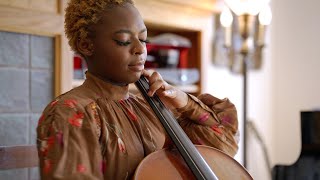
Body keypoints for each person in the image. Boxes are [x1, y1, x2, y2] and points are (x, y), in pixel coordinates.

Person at [36, 0, 239, 179]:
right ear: (86, 44)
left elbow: (222, 146)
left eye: (143, 39)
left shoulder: (150, 106)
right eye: (124, 40)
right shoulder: (70, 113)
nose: (141, 49)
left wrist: (182, 100)